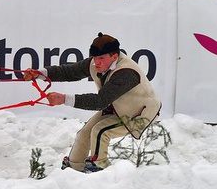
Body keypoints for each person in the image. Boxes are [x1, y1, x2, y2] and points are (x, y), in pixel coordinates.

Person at [24, 33, 161, 173]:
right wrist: (39, 74)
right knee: (84, 133)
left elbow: (100, 101)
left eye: (101, 58)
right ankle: (73, 168)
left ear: (115, 56)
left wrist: (64, 99)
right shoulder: (96, 63)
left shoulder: (126, 72)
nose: (96, 62)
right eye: (95, 58)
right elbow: (70, 72)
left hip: (140, 112)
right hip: (116, 106)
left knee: (100, 131)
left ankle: (99, 168)